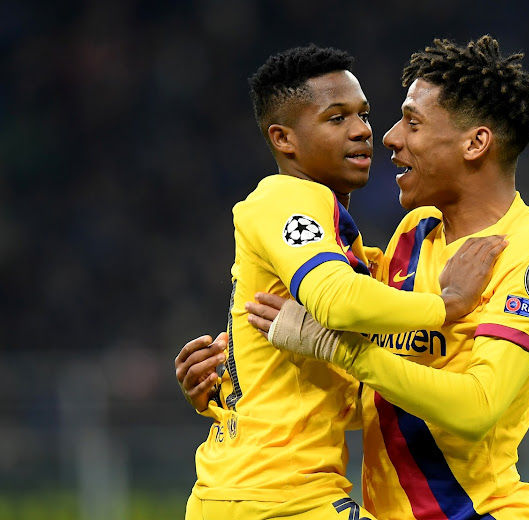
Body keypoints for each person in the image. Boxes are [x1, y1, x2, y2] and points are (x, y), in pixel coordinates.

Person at [243, 35, 529, 520]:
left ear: (475, 143)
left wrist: (338, 347)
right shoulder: (414, 234)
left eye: (413, 123)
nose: (390, 136)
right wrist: (234, 378)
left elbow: (477, 407)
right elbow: (371, 397)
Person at [178, 43, 506, 520]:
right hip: (278, 497)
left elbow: (338, 389)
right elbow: (335, 300)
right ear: (284, 139)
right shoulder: (287, 199)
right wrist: (447, 304)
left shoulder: (344, 246)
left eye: (364, 114)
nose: (362, 131)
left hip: (249, 491)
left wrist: (223, 385)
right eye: (336, 118)